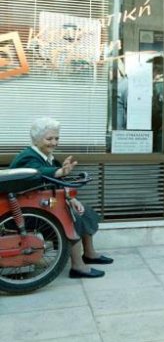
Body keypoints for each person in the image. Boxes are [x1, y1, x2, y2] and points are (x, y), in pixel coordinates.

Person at [10, 117, 113, 279]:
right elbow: (37, 172)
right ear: (36, 140)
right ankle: (78, 266)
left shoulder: (48, 157)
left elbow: (58, 183)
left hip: (42, 204)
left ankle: (89, 254)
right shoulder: (28, 157)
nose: (54, 143)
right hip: (25, 210)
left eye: (56, 138)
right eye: (49, 138)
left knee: (84, 210)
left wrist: (72, 199)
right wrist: (60, 172)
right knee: (70, 217)